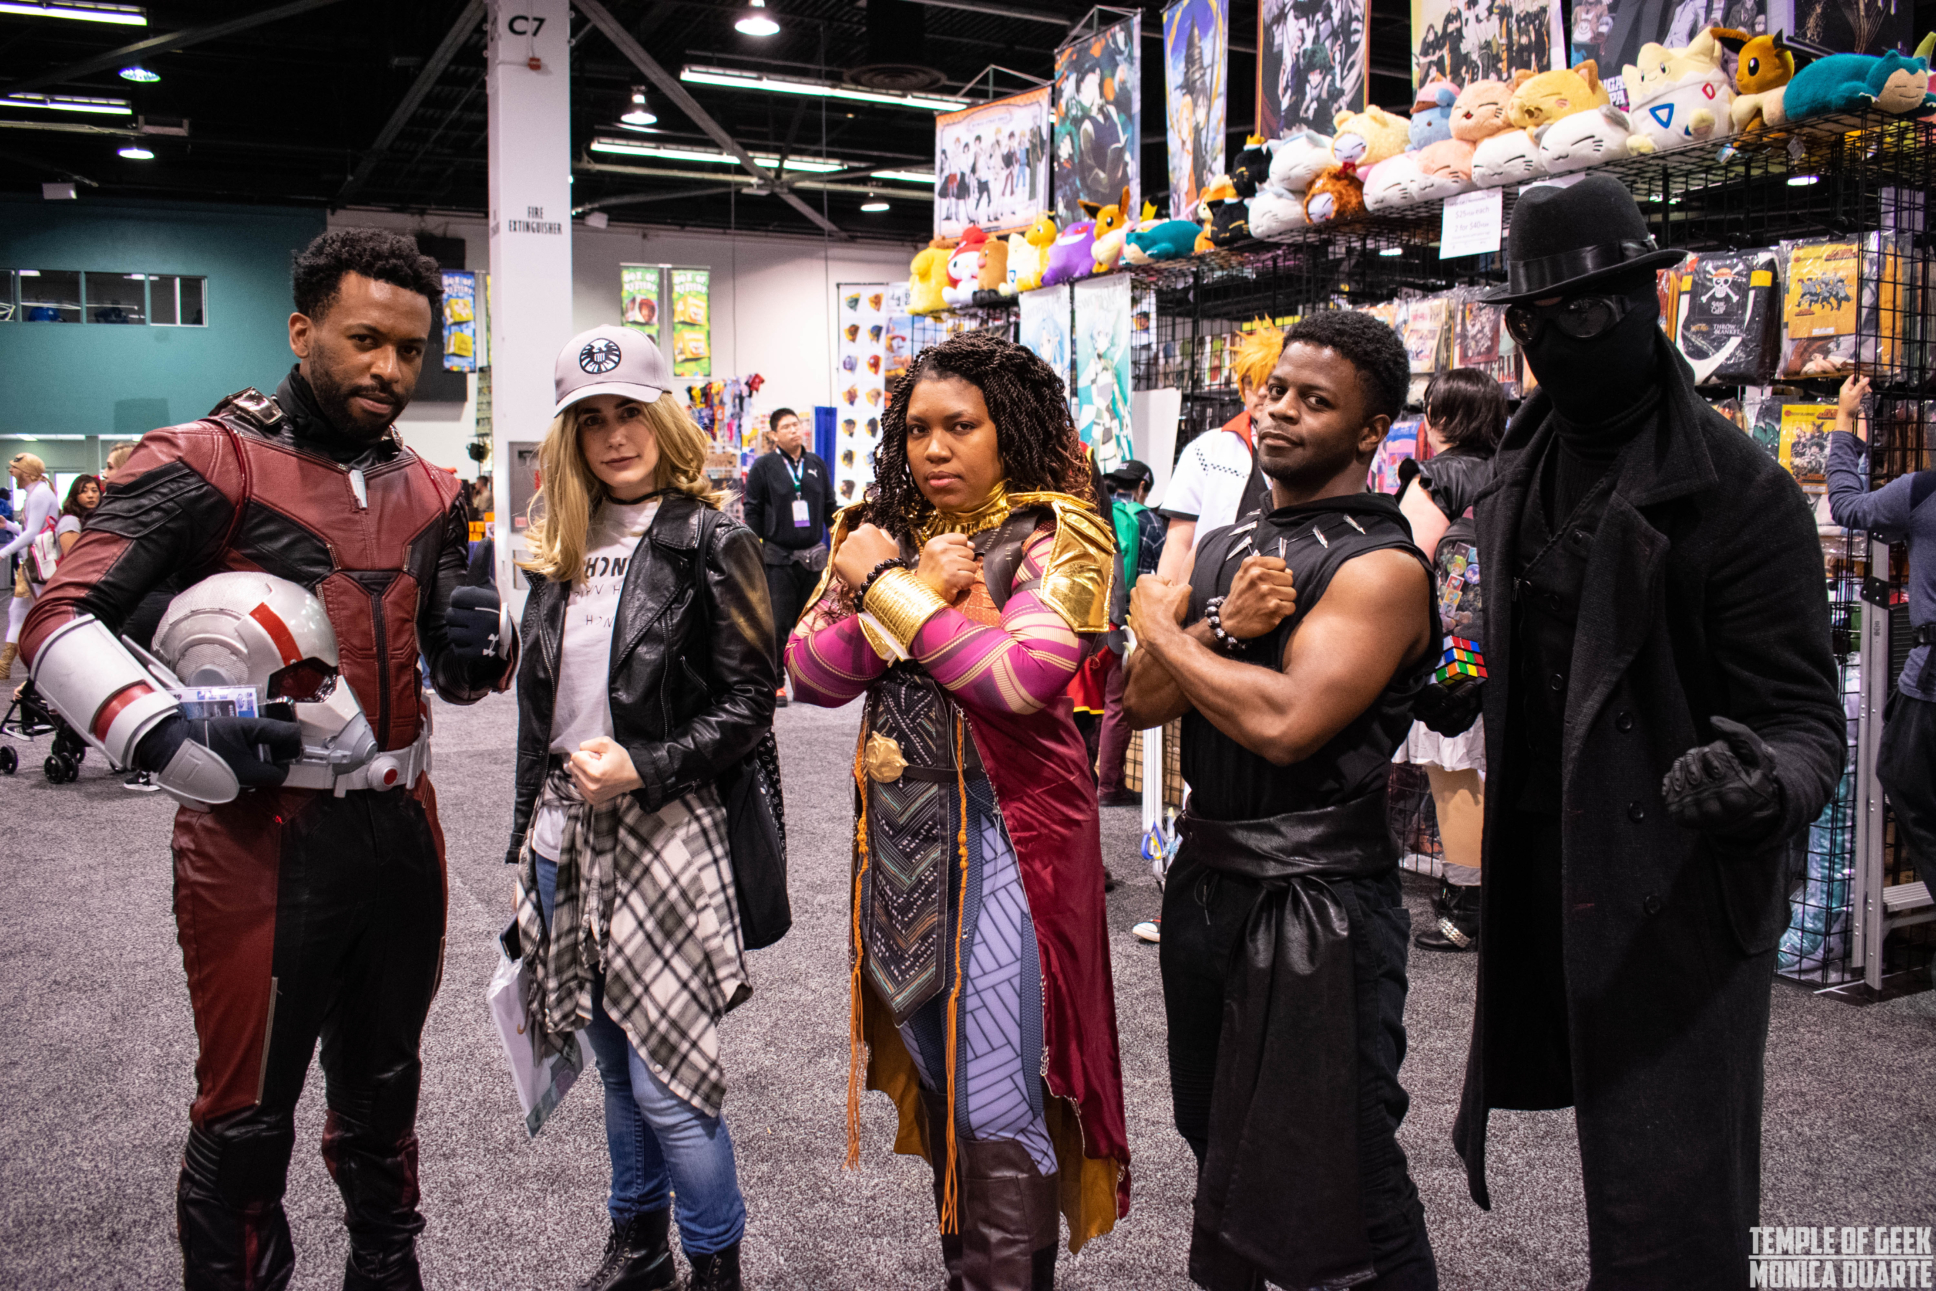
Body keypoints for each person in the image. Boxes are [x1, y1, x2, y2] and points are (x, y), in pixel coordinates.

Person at [21, 227, 517, 1291]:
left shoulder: (431, 488)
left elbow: (453, 660)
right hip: (261, 836)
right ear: (303, 331)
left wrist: (483, 644)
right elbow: (60, 616)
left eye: (410, 348)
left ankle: (388, 1272)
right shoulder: (207, 459)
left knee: (386, 1090)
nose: (389, 368)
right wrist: (161, 726)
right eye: (364, 340)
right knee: (248, 1115)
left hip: (401, 824)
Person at [1449, 175, 1845, 1286]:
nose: (1561, 336)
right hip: (1540, 861)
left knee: (1673, 1206)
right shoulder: (1516, 469)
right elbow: (1512, 645)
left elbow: (1807, 717)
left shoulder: (1737, 491)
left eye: (1588, 309)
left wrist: (1760, 782)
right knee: (1613, 1160)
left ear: (1644, 301)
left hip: (1673, 882)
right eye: (1533, 319)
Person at [786, 330, 1130, 1289]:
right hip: (898, 844)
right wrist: (905, 589)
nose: (933, 448)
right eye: (917, 428)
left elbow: (1021, 678)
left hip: (1010, 836)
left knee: (995, 1092)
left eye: (960, 426)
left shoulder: (1059, 532)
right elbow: (806, 672)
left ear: (1006, 428)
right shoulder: (876, 526)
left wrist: (889, 588)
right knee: (939, 1076)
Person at [1123, 311, 1440, 1291]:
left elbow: (1289, 722)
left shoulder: (1381, 568)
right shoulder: (1225, 544)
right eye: (1277, 393)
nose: (1283, 414)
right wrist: (1212, 622)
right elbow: (1139, 703)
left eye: (1316, 401)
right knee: (1215, 1131)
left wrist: (1169, 629)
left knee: (1344, 1163)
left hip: (1320, 898)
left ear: (1369, 430)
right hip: (1209, 879)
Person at [507, 325, 774, 1291]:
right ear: (570, 439)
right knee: (615, 1070)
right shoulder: (555, 551)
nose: (615, 437)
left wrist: (646, 763)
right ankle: (637, 1249)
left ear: (665, 418)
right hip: (563, 830)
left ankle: (714, 1268)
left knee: (670, 1082)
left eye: (631, 414)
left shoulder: (714, 538)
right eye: (592, 420)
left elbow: (752, 704)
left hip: (666, 826)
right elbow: (537, 710)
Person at [1391, 369, 1507, 952]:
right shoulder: (1517, 470)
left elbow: (1407, 562)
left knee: (1453, 770)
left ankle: (1466, 906)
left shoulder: (1434, 478)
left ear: (1440, 418)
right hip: (1513, 647)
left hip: (1454, 652)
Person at [1827, 373, 1935, 894]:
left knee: (1904, 779)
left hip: (1931, 683)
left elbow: (1847, 506)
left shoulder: (1923, 493)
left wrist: (1845, 420)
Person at [1153, 327, 1281, 583]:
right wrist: (1164, 604)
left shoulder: (1309, 451)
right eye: (1250, 381)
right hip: (1212, 591)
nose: (1261, 391)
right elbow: (1178, 540)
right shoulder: (1207, 449)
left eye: (1270, 381)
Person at [742, 405, 836, 705]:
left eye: (797, 425)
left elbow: (829, 507)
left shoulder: (816, 464)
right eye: (787, 427)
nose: (795, 430)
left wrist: (843, 535)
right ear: (774, 434)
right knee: (778, 626)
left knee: (814, 624)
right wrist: (752, 551)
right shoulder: (763, 467)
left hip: (814, 559)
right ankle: (776, 684)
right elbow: (752, 511)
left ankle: (812, 683)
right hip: (778, 559)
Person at [1097, 459, 1165, 807]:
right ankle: (1109, 786)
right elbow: (1156, 577)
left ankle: (1091, 778)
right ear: (1144, 487)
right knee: (1117, 706)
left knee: (1087, 707)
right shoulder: (1151, 521)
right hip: (1127, 627)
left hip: (1092, 623)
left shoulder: (1100, 516)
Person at [0, 453, 59, 680]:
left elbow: (33, 533)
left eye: (13, 468)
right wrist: (9, 526)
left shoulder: (39, 494)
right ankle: (5, 665)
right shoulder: (38, 493)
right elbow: (32, 531)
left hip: (40, 565)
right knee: (18, 612)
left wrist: (4, 553)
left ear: (25, 471)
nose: (10, 472)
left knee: (39, 614)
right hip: (36, 564)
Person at [55, 473, 101, 557]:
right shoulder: (70, 521)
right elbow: (73, 558)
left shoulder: (97, 519)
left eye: (94, 491)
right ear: (75, 495)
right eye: (83, 491)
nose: (90, 495)